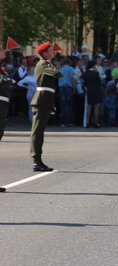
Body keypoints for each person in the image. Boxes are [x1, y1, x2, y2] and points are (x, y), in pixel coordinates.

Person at [30, 42, 60, 171]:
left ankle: (38, 160)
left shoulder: (47, 64)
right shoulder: (43, 64)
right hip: (41, 100)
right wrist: (54, 66)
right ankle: (36, 160)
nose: (53, 52)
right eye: (51, 50)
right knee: (37, 131)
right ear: (45, 53)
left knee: (40, 131)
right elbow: (56, 73)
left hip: (46, 100)